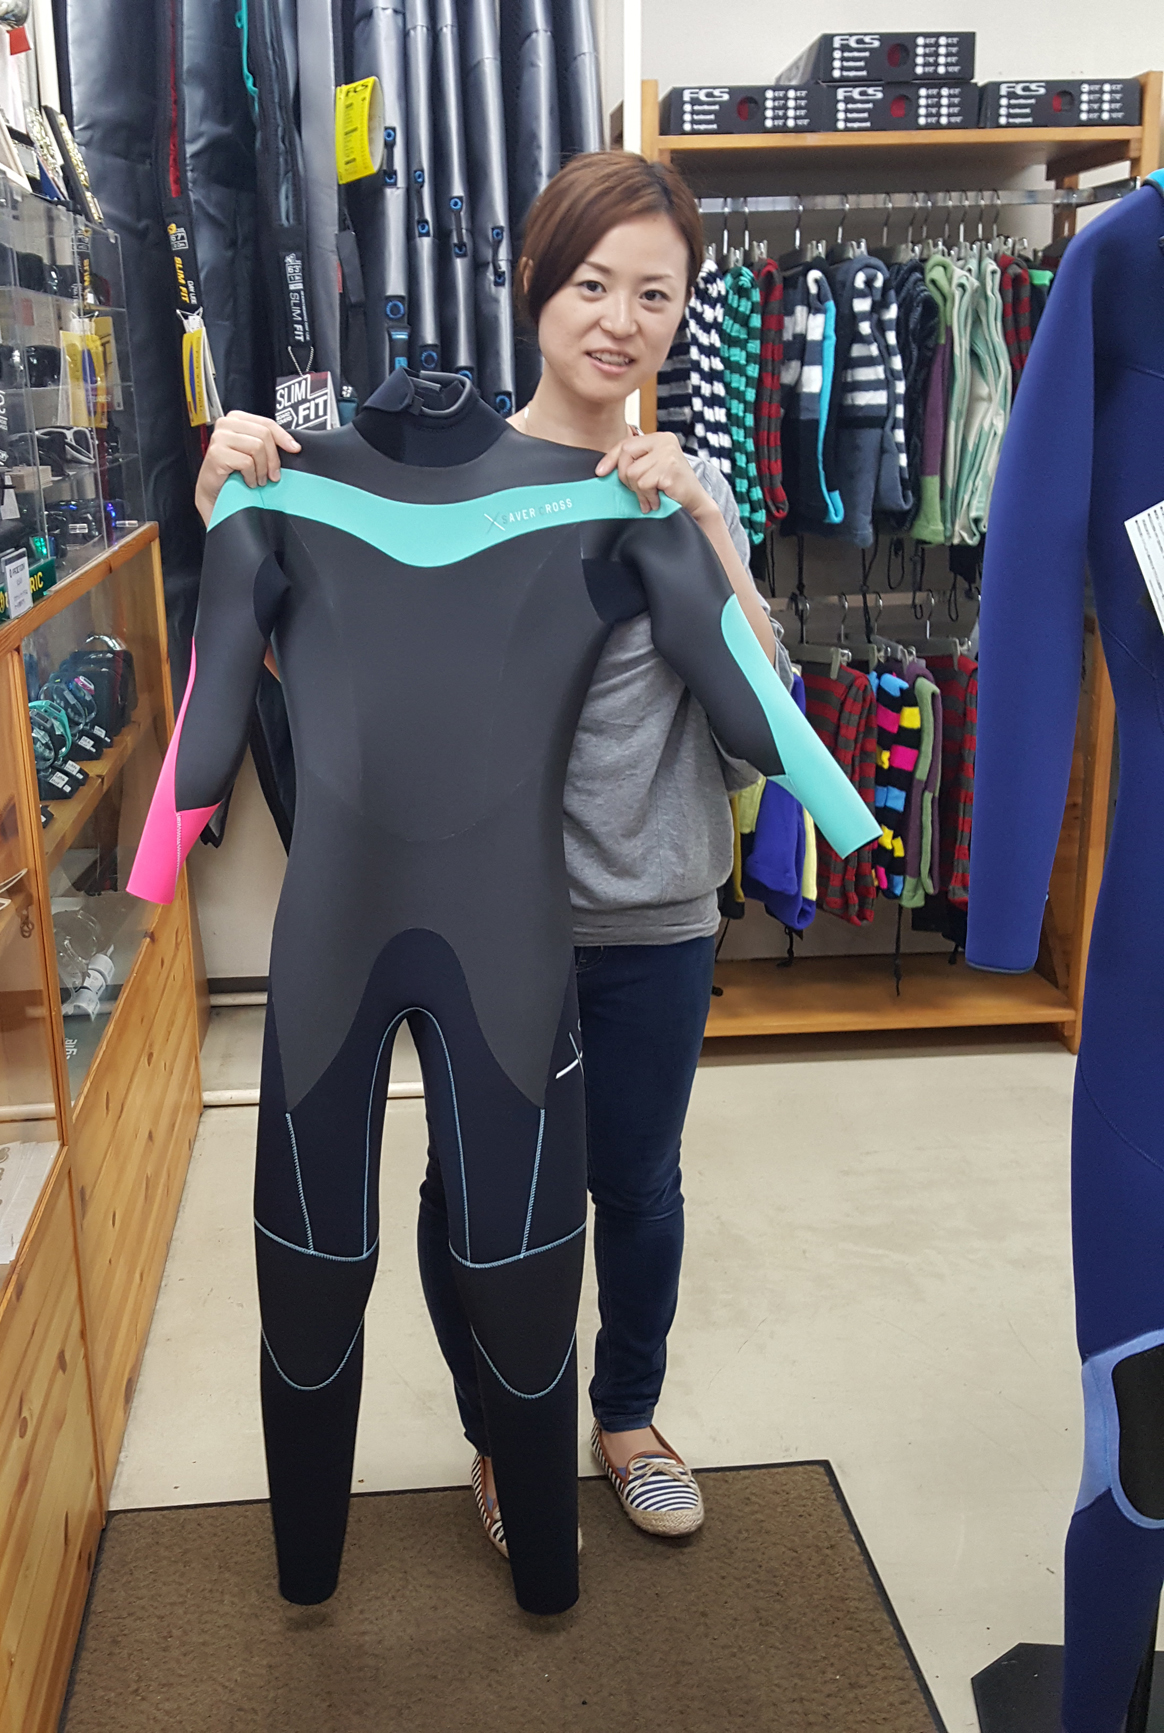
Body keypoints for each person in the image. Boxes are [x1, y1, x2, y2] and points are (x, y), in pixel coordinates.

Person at [192, 150, 791, 1545]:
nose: (619, 320)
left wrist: (708, 525)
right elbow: (322, 675)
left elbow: (764, 724)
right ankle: (501, 1438)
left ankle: (626, 1416)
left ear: (683, 311)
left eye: (655, 295)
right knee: (466, 1199)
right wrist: (231, 496)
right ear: (535, 287)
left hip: (646, 913)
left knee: (635, 1182)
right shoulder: (423, 479)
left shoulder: (675, 489)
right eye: (592, 284)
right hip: (484, 919)